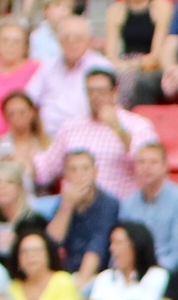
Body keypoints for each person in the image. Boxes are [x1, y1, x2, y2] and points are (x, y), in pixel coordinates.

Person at [33, 68, 159, 204]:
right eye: (91, 91)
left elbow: (148, 165)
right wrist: (25, 164)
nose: (95, 96)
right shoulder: (71, 127)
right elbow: (47, 167)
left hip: (120, 206)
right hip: (76, 206)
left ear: (115, 92)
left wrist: (118, 129)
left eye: (101, 92)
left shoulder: (137, 125)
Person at [26, 17, 113, 138]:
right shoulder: (48, 67)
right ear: (58, 41)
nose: (71, 43)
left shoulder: (102, 67)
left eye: (78, 38)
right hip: (47, 137)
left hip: (87, 136)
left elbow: (109, 108)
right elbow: (29, 100)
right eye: (66, 38)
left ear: (89, 40)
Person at [45, 151, 120, 291]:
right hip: (65, 273)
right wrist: (68, 205)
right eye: (73, 170)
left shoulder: (108, 204)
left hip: (98, 275)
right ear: (66, 175)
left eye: (85, 169)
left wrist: (79, 286)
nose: (80, 175)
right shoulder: (63, 202)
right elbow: (52, 242)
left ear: (95, 172)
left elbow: (97, 247)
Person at [119, 144, 178, 277]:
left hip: (167, 274)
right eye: (141, 162)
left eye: (153, 162)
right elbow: (121, 246)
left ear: (165, 166)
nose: (146, 167)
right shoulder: (128, 204)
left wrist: (151, 274)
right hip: (130, 274)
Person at [105, 0, 173, 110]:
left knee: (132, 79)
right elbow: (111, 52)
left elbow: (157, 54)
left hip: (151, 65)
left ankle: (126, 115)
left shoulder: (161, 8)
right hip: (126, 61)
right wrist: (119, 64)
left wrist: (133, 65)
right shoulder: (116, 11)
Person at [86, 220, 168, 300]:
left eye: (119, 243)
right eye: (112, 243)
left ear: (137, 245)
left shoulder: (157, 275)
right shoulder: (104, 277)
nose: (112, 249)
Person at [9, 228, 81, 300]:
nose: (31, 256)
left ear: (48, 254)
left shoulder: (62, 281)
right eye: (25, 252)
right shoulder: (12, 288)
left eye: (37, 251)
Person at [0, 91, 48, 203]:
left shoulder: (46, 145)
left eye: (22, 112)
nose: (17, 117)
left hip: (40, 200)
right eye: (11, 113)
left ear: (32, 113)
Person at [29, 0, 74, 68]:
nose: (64, 10)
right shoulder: (36, 37)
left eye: (68, 7)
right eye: (58, 5)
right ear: (45, 11)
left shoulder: (75, 36)